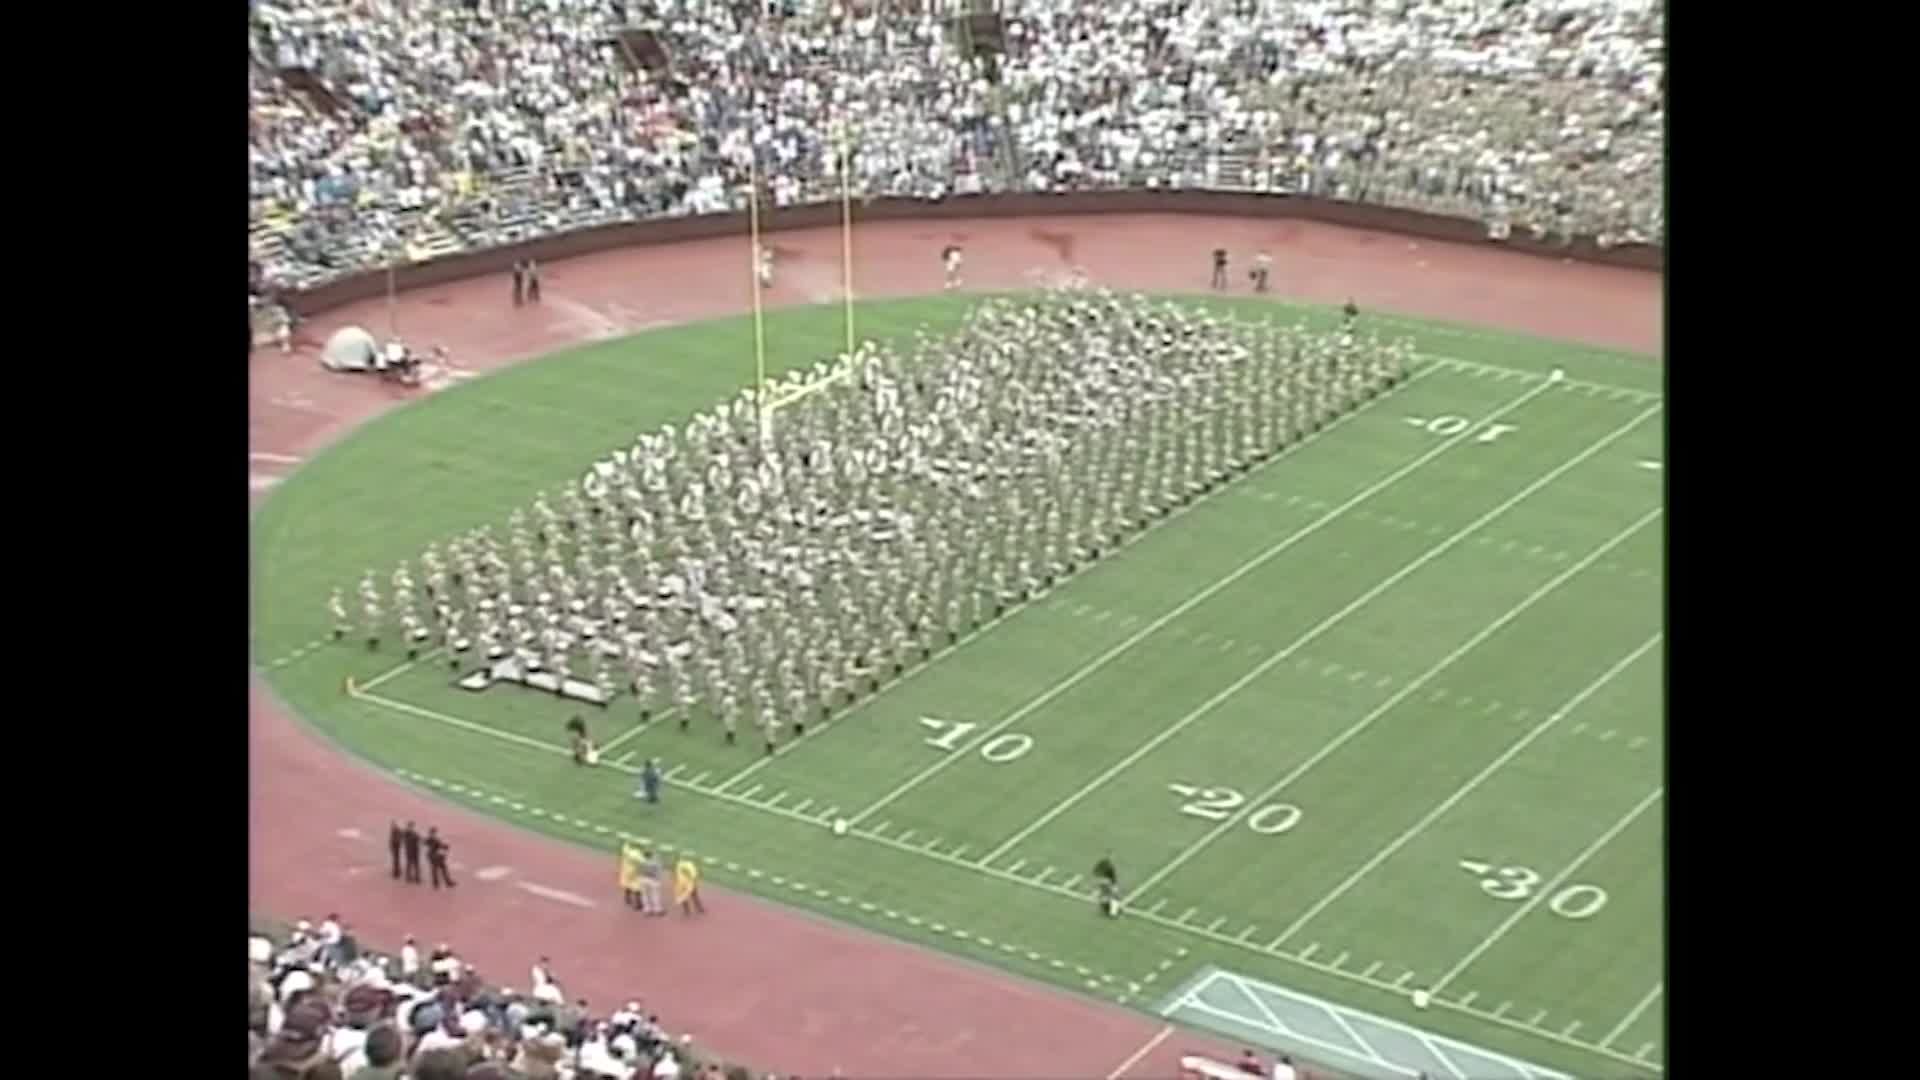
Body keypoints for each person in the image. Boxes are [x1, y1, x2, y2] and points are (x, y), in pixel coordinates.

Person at [1093, 853, 1120, 917]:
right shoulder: (1110, 867)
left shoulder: (1102, 863)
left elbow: (1095, 871)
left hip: (1102, 881)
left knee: (1104, 894)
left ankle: (1106, 906)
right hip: (1107, 882)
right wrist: (1113, 885)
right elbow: (1113, 877)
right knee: (1114, 896)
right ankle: (1113, 912)